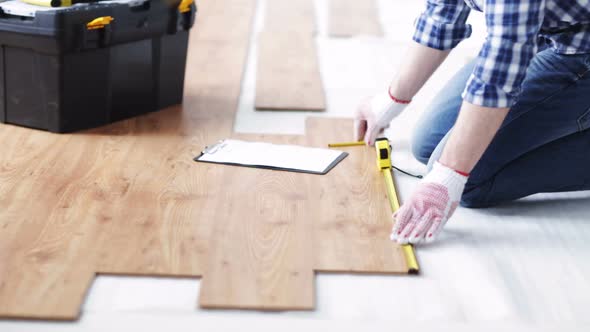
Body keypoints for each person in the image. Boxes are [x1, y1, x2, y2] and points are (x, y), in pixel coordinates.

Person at [355, 0, 590, 245]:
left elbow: (499, 74)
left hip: (581, 48)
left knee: (467, 183)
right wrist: (392, 100)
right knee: (428, 145)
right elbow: (442, 14)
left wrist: (448, 176)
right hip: (548, 31)